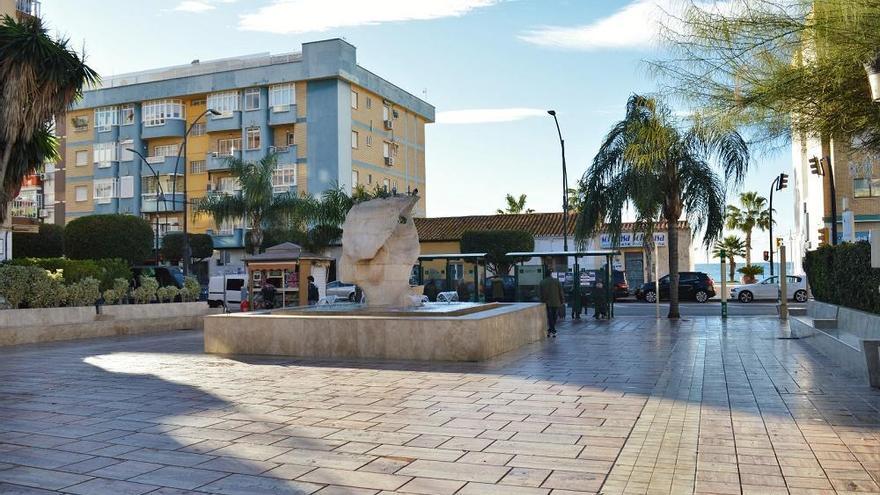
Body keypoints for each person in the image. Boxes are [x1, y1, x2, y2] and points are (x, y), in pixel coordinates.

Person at [539, 270, 564, 338]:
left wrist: (542, 301)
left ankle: (551, 330)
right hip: (556, 301)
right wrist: (562, 300)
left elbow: (540, 293)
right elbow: (560, 291)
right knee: (554, 316)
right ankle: (553, 330)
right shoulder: (556, 281)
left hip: (546, 302)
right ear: (550, 274)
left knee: (550, 317)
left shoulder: (542, 282)